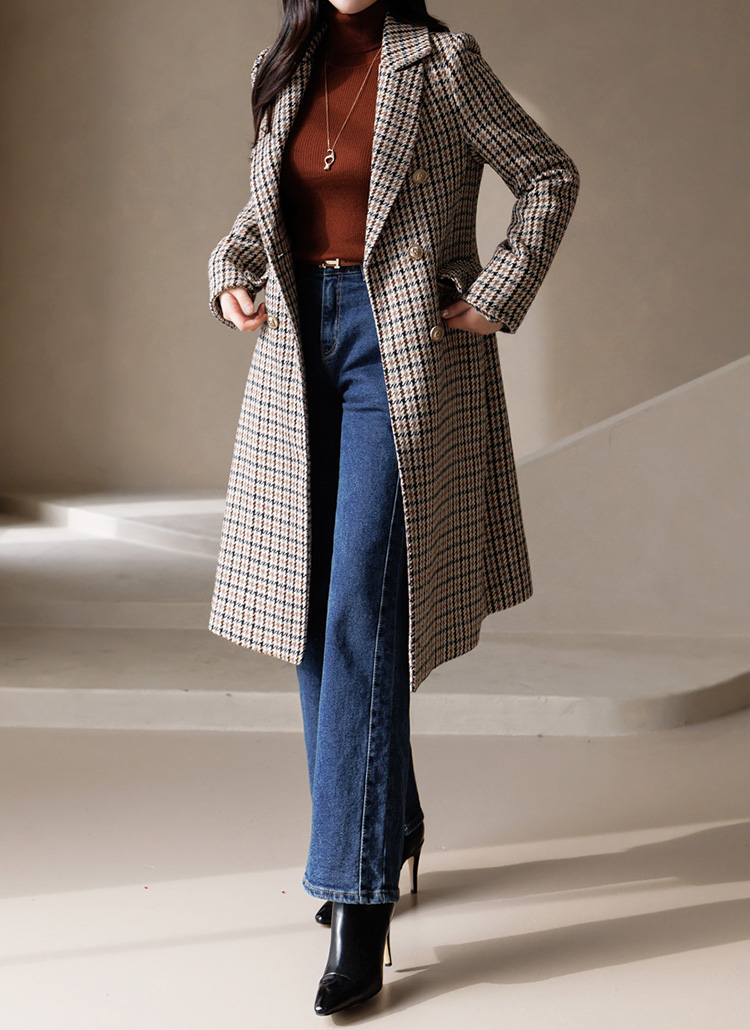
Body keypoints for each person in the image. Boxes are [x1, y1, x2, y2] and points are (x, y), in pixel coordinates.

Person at [208, 0, 579, 1015]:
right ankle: (391, 820)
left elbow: (548, 174)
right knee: (310, 619)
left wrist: (498, 290)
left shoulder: (442, 62)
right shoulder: (282, 62)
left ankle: (357, 896)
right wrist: (230, 271)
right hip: (298, 350)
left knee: (358, 612)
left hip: (400, 350)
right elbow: (266, 210)